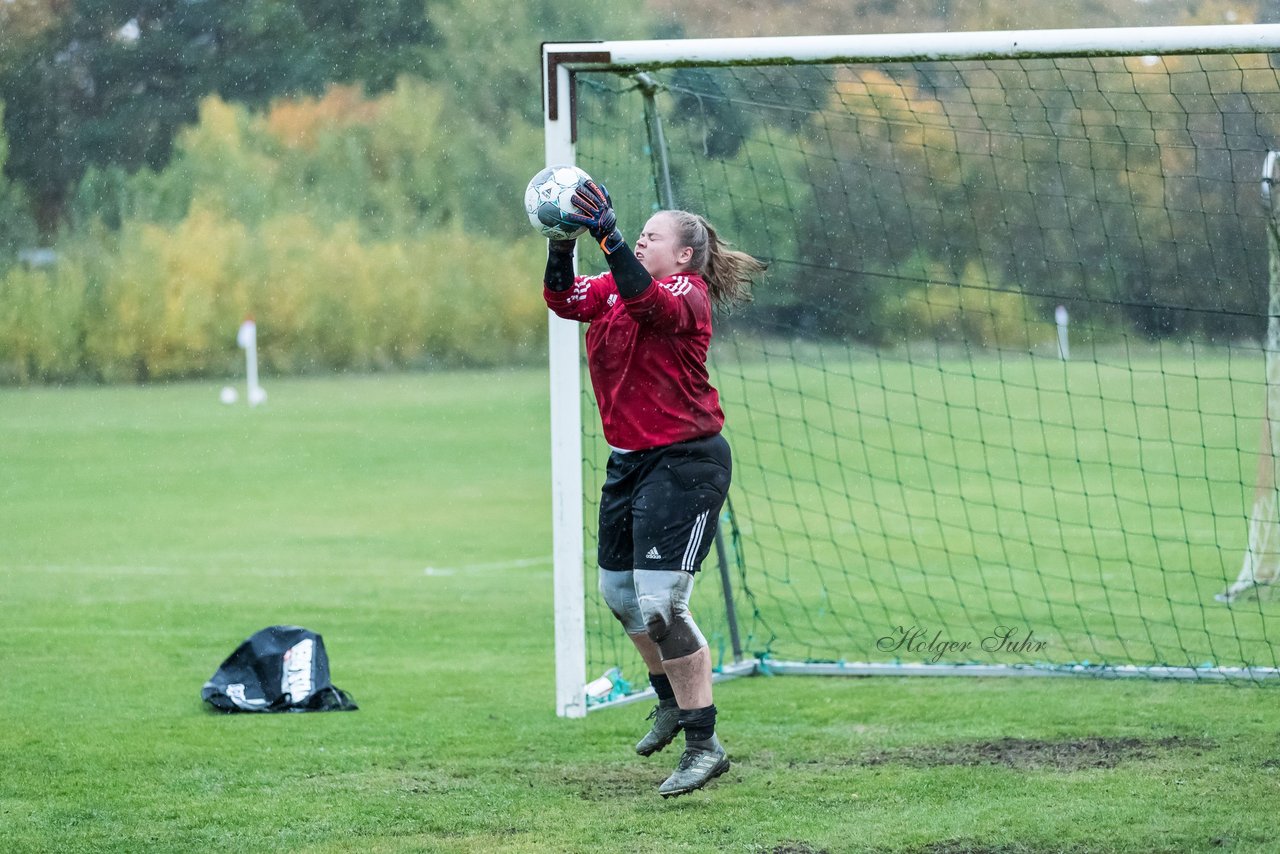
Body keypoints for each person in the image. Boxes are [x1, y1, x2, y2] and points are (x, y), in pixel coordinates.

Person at [542, 178, 765, 797]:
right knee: (619, 594)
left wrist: (608, 235)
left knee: (664, 604)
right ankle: (669, 698)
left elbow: (651, 309)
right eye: (635, 233)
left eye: (651, 235)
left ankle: (703, 743)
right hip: (630, 463)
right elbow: (564, 300)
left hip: (687, 462)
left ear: (685, 255)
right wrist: (562, 243)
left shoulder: (687, 295)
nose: (639, 239)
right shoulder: (616, 285)